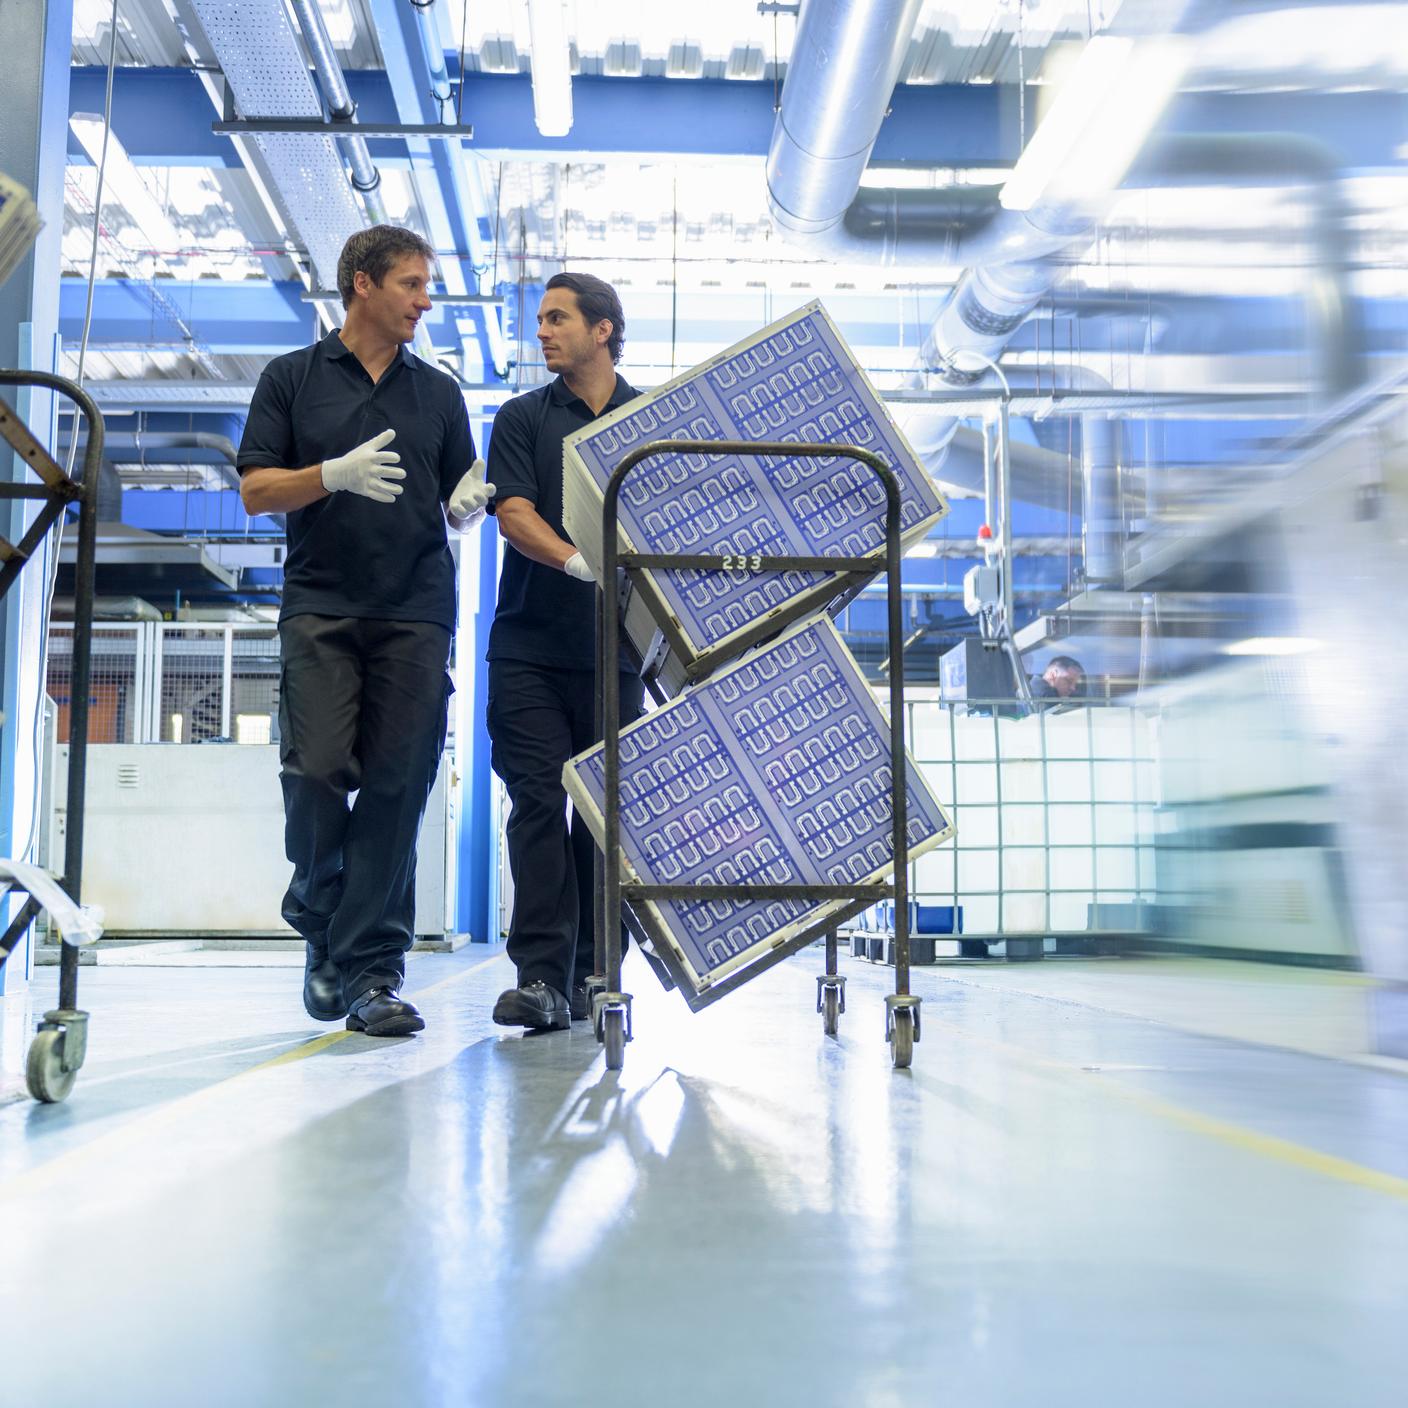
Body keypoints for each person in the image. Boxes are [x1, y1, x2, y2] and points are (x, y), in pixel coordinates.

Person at [237, 225, 494, 1038]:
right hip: (321, 605)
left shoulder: (440, 393)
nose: (425, 301)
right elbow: (255, 492)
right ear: (361, 284)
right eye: (412, 284)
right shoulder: (291, 379)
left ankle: (369, 972)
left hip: (417, 611)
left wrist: (467, 506)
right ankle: (318, 911)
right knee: (314, 771)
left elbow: (464, 486)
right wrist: (329, 476)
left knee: (399, 785)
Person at [485, 272, 644, 1033]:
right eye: (540, 319)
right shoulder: (520, 418)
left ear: (602, 329)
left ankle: (597, 970)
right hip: (528, 649)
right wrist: (580, 562)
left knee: (604, 816)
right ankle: (542, 977)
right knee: (539, 802)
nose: (542, 331)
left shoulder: (649, 419)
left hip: (618, 657)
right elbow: (512, 513)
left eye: (557, 319)